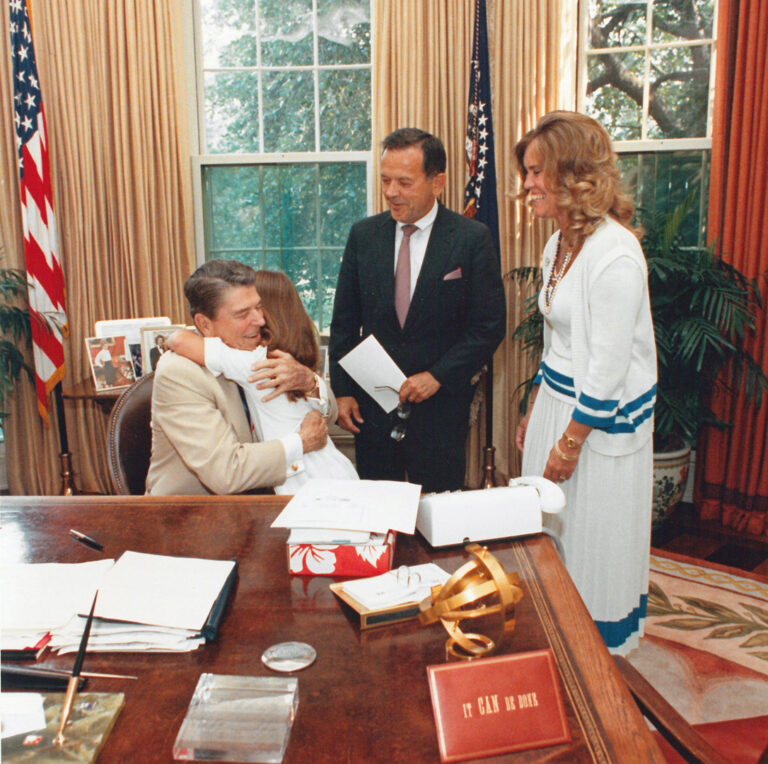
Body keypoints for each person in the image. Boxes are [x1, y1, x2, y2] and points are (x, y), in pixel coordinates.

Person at [514, 111, 657, 654]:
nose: (526, 185)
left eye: (535, 172)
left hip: (599, 423)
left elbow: (608, 366)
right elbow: (557, 341)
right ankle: (555, 637)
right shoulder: (557, 246)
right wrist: (535, 405)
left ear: (572, 174)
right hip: (558, 402)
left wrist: (571, 442)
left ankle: (598, 653)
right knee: (548, 531)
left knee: (594, 536)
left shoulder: (615, 255)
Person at [329, 127, 506, 493]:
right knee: (378, 512)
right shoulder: (363, 235)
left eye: (404, 182)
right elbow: (344, 322)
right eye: (386, 180)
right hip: (373, 410)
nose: (391, 192)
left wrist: (438, 375)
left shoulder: (471, 239)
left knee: (439, 513)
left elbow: (489, 326)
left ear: (437, 182)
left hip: (441, 410)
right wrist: (342, 391)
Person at [146, 259, 335, 495]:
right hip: (196, 515)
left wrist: (309, 382)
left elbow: (330, 414)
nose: (260, 320)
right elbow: (226, 473)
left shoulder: (258, 344)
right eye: (243, 313)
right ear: (204, 324)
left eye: (258, 307)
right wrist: (302, 442)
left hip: (260, 499)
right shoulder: (179, 372)